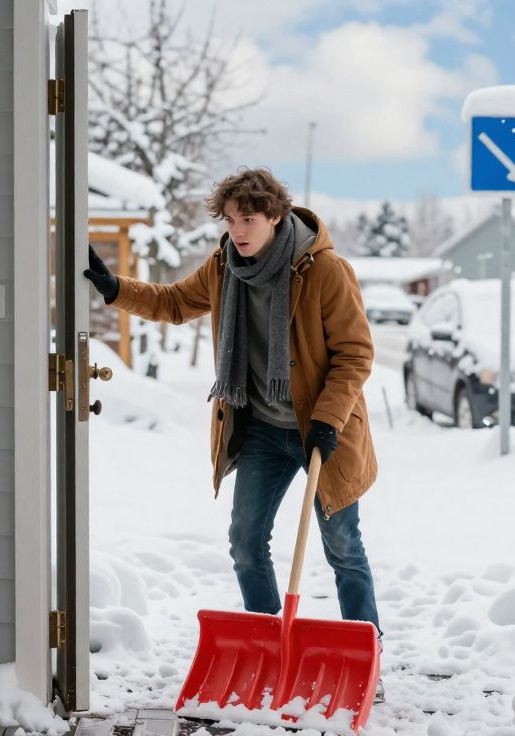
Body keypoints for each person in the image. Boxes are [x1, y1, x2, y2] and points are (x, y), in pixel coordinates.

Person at [83, 168, 382, 698]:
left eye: (249, 219)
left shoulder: (325, 271)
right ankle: (273, 651)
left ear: (276, 217)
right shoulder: (225, 267)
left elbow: (354, 354)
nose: (238, 230)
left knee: (343, 547)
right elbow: (174, 302)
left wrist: (327, 419)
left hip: (322, 432)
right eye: (230, 219)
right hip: (265, 429)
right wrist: (113, 289)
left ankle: (366, 654)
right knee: (246, 542)